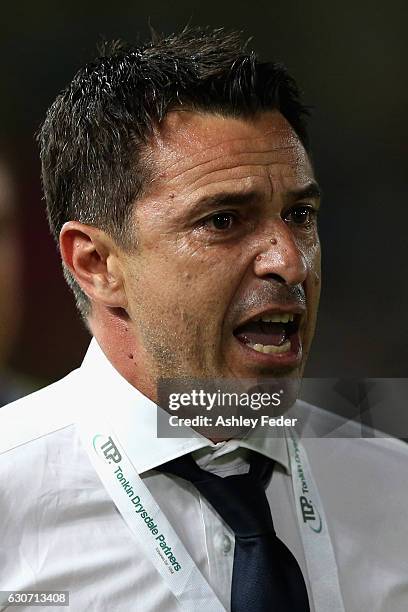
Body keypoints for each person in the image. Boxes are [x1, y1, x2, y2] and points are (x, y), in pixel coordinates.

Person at [1, 27, 407, 612]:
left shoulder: (396, 489)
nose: (289, 261)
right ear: (96, 265)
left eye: (299, 214)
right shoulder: (12, 497)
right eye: (223, 220)